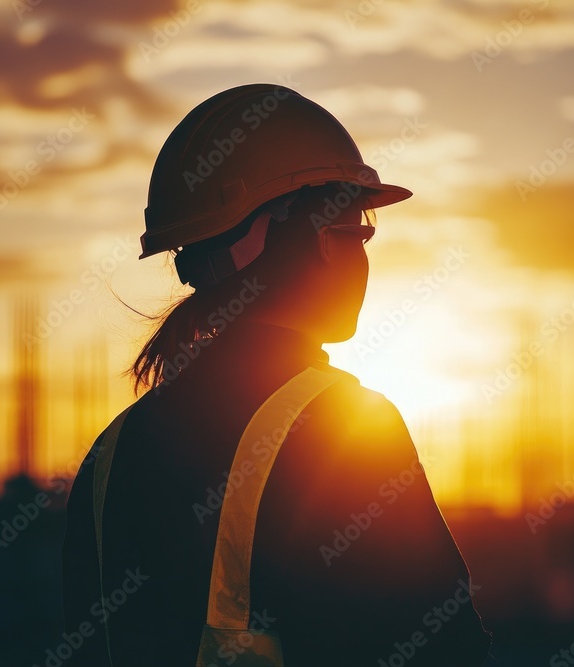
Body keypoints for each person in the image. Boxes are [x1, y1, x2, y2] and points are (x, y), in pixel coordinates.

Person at [62, 83, 492, 666]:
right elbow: (444, 651)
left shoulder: (110, 455)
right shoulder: (342, 429)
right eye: (352, 230)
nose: (361, 258)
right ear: (287, 240)